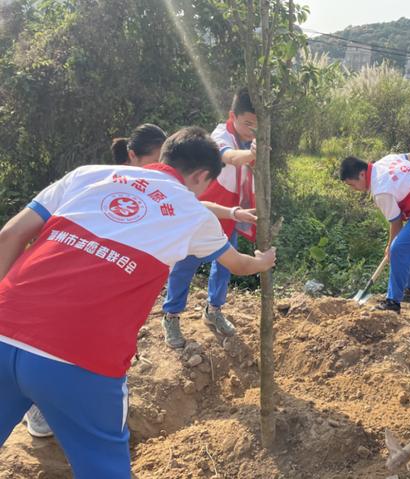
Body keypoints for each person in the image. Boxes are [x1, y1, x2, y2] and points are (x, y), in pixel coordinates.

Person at [0, 127, 276, 478]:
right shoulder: (193, 216)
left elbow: (9, 235)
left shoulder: (88, 175)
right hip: (80, 357)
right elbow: (237, 263)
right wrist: (264, 261)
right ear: (203, 175)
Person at [22, 123, 170, 440]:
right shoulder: (97, 182)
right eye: (157, 159)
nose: (163, 170)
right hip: (62, 290)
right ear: (132, 156)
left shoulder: (153, 195)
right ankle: (40, 407)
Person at [161, 87, 258, 348]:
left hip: (230, 212)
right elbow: (227, 157)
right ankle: (171, 316)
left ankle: (213, 310)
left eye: (256, 126)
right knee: (186, 264)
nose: (251, 130)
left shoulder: (251, 140)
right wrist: (250, 155)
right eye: (247, 123)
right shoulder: (221, 135)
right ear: (232, 116)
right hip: (204, 210)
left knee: (225, 265)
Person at [340, 152, 410, 313]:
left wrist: (390, 246)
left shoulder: (380, 190)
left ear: (362, 174)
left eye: (352, 185)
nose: (354, 189)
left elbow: (396, 222)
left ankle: (393, 302)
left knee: (398, 249)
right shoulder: (386, 160)